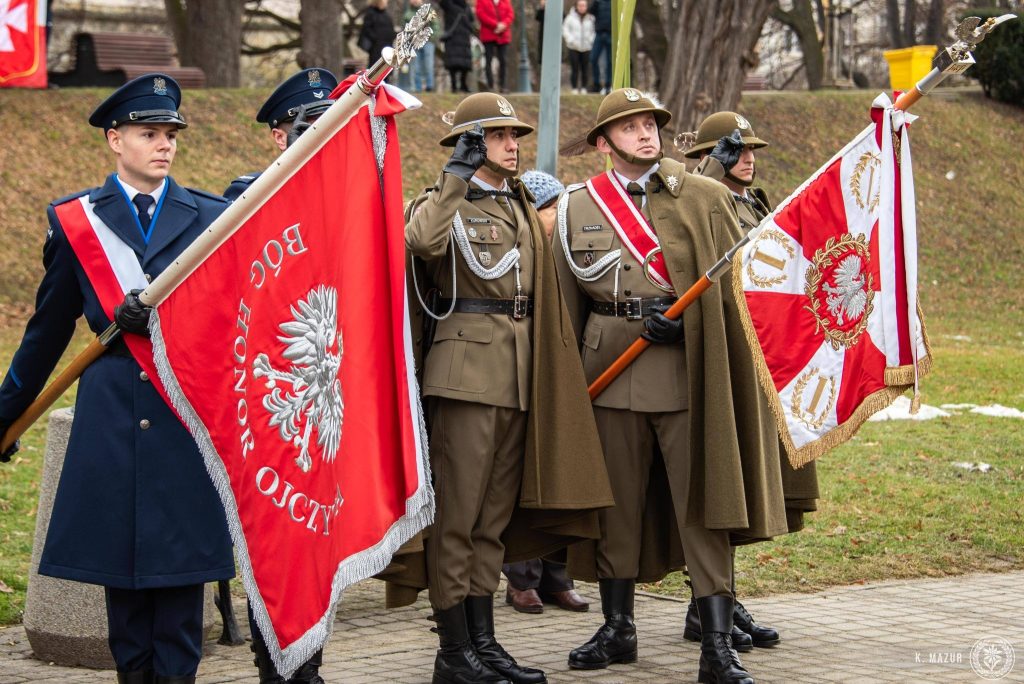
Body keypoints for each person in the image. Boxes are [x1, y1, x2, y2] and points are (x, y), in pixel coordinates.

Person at [0, 74, 235, 684]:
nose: (164, 145)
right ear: (114, 139)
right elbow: (46, 332)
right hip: (112, 422)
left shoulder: (212, 217)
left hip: (185, 417)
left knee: (181, 595)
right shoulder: (77, 221)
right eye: (148, 133)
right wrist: (5, 415)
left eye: (170, 135)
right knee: (124, 601)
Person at [555, 88, 794, 683]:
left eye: (651, 124)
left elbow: (736, 287)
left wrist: (688, 321)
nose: (645, 134)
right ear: (603, 142)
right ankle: (618, 629)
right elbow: (563, 309)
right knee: (616, 507)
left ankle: (715, 643)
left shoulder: (705, 198)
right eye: (630, 126)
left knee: (704, 504)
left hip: (688, 373)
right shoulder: (574, 207)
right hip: (608, 373)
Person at [405, 92, 612, 684]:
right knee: (458, 520)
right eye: (498, 136)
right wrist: (454, 175)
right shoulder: (445, 199)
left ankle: (483, 643)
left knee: (491, 522)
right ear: (472, 143)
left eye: (514, 136)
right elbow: (421, 243)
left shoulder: (520, 201)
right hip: (466, 377)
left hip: (520, 374)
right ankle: (452, 652)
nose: (512, 144)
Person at [678, 110, 820, 652]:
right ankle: (706, 603)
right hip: (717, 352)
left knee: (740, 483)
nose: (749, 158)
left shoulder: (753, 202)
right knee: (721, 482)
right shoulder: (698, 197)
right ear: (713, 157)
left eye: (751, 149)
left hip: (758, 353)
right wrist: (711, 169)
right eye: (736, 150)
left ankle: (718, 602)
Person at [223, 67, 340, 684]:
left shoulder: (352, 202)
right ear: (278, 136)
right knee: (274, 535)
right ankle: (275, 665)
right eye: (307, 126)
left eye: (329, 125)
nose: (320, 136)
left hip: (331, 393)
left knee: (322, 535)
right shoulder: (244, 198)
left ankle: (310, 663)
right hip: (268, 397)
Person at [499, 169, 589, 616]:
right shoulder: (517, 253)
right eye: (552, 207)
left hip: (566, 376)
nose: (560, 215)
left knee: (562, 475)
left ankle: (558, 576)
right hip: (522, 374)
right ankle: (521, 579)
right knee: (522, 479)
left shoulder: (568, 251)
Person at [224, 67, 339, 202]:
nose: (323, 135)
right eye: (311, 129)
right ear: (280, 138)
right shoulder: (251, 194)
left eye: (329, 125)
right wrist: (296, 165)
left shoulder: (350, 183)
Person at [476, 0, 514, 92]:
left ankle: (503, 85)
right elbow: (481, 14)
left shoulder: (506, 1)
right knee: (488, 60)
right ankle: (490, 85)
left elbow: (510, 14)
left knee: (503, 60)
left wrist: (504, 25)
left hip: (503, 35)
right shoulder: (481, 1)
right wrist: (495, 25)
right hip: (488, 34)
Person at [439, 0, 476, 92]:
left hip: (464, 38)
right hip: (453, 38)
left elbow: (471, 20)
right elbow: (442, 3)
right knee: (453, 64)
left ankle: (462, 84)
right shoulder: (450, 4)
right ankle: (455, 85)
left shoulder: (466, 7)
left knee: (464, 64)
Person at [404, 0, 439, 92]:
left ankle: (429, 86)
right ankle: (417, 87)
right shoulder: (408, 13)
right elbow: (405, 28)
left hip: (428, 41)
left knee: (429, 64)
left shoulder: (429, 10)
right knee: (415, 66)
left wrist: (431, 37)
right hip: (414, 42)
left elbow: (436, 26)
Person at [562, 0, 595, 94]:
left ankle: (584, 87)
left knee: (585, 68)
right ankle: (574, 88)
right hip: (573, 47)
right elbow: (565, 29)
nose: (582, 7)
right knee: (575, 68)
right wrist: (570, 40)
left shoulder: (591, 18)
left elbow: (594, 31)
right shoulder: (570, 18)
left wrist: (591, 40)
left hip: (587, 47)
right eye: (580, 5)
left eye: (584, 5)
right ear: (576, 6)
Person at [358, 0, 397, 69]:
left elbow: (390, 29)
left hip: (387, 46)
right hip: (376, 48)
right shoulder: (371, 13)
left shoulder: (386, 15)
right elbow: (366, 29)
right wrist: (376, 39)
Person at [587, 0, 611, 93]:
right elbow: (591, 11)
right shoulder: (598, 2)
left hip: (610, 34)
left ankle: (608, 84)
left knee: (610, 61)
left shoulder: (614, 3)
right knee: (593, 58)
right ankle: (596, 84)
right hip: (599, 34)